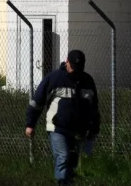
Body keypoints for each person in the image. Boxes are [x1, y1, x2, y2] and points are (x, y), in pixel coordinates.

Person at [25, 50, 100, 185]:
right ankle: (62, 182)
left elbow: (93, 108)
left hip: (78, 130)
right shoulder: (54, 78)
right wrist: (30, 124)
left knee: (72, 160)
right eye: (73, 67)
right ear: (67, 62)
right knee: (63, 155)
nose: (75, 71)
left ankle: (67, 181)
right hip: (57, 127)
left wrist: (94, 128)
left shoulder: (87, 81)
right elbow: (37, 102)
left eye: (79, 68)